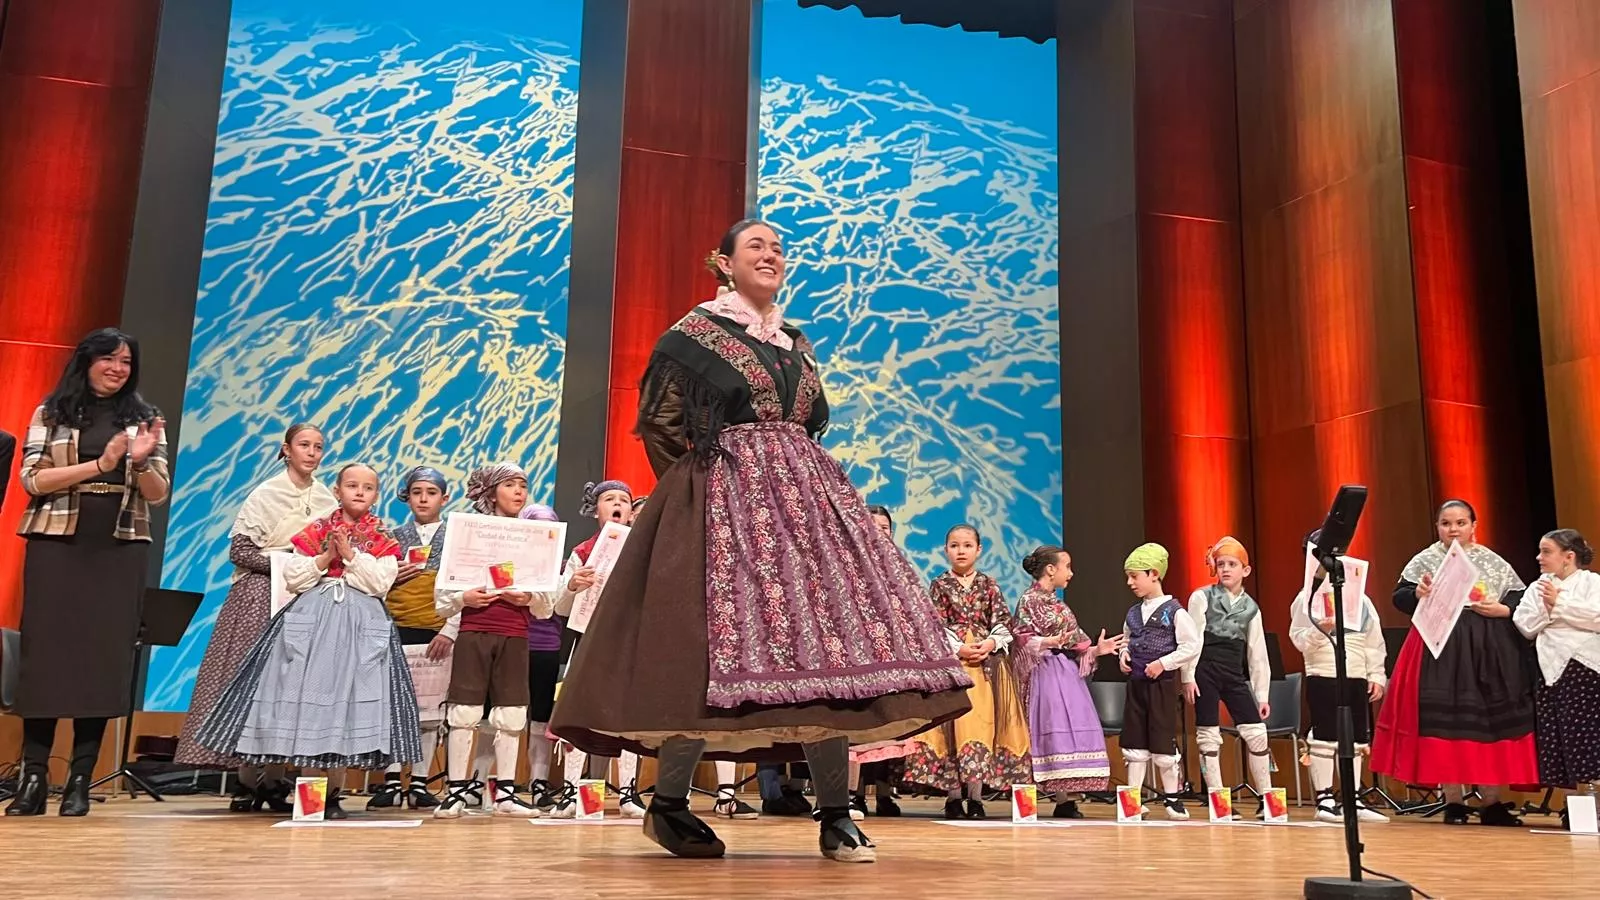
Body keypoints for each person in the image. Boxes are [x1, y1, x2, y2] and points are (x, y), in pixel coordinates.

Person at [550, 219, 971, 863]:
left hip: (805, 510)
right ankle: (666, 806)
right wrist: (703, 498)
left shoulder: (795, 343)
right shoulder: (692, 339)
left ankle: (836, 811)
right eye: (757, 246)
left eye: (778, 248)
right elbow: (662, 424)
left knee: (827, 642)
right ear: (723, 262)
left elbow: (812, 423)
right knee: (706, 654)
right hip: (722, 506)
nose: (771, 254)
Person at [194, 463, 421, 819]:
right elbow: (296, 577)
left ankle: (331, 795)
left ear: (376, 495)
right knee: (308, 708)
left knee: (346, 708)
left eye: (367, 487)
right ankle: (304, 798)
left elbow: (380, 583)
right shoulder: (317, 530)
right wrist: (325, 557)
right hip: (314, 622)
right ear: (337, 490)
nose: (359, 492)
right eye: (351, 485)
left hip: (361, 625)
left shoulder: (381, 537)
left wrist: (351, 557)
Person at [6, 328, 169, 818]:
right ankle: (33, 777)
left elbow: (158, 493)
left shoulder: (144, 418)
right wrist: (102, 463)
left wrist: (138, 465)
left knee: (102, 661)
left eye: (125, 362)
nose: (118, 369)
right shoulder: (51, 412)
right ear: (87, 361)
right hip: (58, 545)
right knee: (47, 658)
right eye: (109, 360)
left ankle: (80, 778)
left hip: (118, 549)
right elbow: (34, 480)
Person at [174, 422, 337, 812]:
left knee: (291, 691)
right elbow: (241, 551)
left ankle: (277, 779)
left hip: (306, 597)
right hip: (260, 595)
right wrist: (290, 564)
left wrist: (312, 569)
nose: (311, 453)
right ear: (286, 450)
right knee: (254, 685)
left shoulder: (327, 499)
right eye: (303, 445)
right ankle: (247, 781)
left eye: (318, 446)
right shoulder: (266, 494)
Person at [1372, 499, 1537, 826]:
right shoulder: (1425, 561)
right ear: (1438, 528)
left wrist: (1502, 609)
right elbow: (1399, 597)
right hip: (1438, 646)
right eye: (1447, 524)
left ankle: (1492, 802)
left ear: (1474, 525)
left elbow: (1519, 598)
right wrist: (1417, 593)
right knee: (1444, 723)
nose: (1454, 529)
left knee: (1489, 722)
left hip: (1488, 648)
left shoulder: (1492, 562)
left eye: (1461, 523)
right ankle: (1454, 801)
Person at [432, 463, 557, 819]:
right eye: (510, 485)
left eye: (523, 485)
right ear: (491, 491)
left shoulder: (533, 539)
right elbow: (444, 596)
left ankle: (504, 793)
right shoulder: (468, 534)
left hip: (516, 633)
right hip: (475, 630)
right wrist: (464, 598)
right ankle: (456, 791)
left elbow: (545, 603)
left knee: (513, 711)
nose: (519, 491)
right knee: (465, 710)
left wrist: (528, 598)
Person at [905, 524, 1032, 820]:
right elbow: (935, 625)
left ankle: (975, 797)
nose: (960, 551)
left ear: (979, 549)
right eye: (954, 545)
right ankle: (952, 797)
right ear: (946, 550)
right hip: (953, 663)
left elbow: (1002, 621)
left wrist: (989, 642)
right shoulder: (939, 585)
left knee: (980, 725)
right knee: (952, 725)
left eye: (966, 545)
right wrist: (959, 647)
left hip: (985, 667)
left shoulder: (989, 585)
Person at [549, 480, 650, 819]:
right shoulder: (582, 552)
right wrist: (574, 585)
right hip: (588, 637)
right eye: (610, 499)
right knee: (580, 711)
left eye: (624, 499)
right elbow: (560, 607)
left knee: (628, 716)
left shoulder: (645, 548)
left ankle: (627, 794)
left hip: (629, 640)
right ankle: (569, 792)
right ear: (596, 509)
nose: (618, 504)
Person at [367, 465, 460, 810]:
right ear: (407, 496)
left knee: (430, 708)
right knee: (392, 705)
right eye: (417, 492)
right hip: (396, 627)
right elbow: (375, 583)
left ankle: (419, 781)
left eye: (431, 492)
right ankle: (392, 780)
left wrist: (450, 629)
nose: (424, 498)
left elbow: (461, 584)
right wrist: (392, 576)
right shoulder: (391, 537)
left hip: (436, 629)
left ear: (444, 498)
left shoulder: (455, 538)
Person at [1012, 545, 1121, 818]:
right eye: (1067, 566)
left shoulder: (1060, 605)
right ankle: (1029, 799)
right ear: (1051, 569)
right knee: (1043, 729)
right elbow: (1021, 638)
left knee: (1069, 730)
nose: (1070, 573)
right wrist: (1046, 642)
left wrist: (1097, 649)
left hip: (1065, 672)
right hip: (1042, 672)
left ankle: (1066, 800)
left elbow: (1077, 642)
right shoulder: (1029, 600)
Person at [1289, 529, 1389, 823]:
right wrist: (1323, 632)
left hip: (1356, 671)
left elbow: (1374, 638)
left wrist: (1376, 675)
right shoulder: (1306, 597)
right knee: (1325, 735)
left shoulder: (1361, 598)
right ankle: (1324, 797)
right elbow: (1297, 637)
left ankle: (1352, 797)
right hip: (1323, 670)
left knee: (1356, 736)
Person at [1513, 529, 1600, 829]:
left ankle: (1596, 802)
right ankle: (1576, 803)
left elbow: (1597, 616)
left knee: (1589, 736)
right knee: (1562, 737)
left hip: (1585, 669)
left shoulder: (1592, 583)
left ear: (1569, 556)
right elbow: (1524, 623)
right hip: (1550, 670)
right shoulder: (1539, 586)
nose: (1539, 557)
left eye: (1546, 551)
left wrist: (1559, 607)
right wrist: (1552, 612)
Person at [1185, 537, 1274, 815]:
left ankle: (1267, 800)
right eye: (1221, 563)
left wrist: (1262, 694)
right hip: (1205, 671)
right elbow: (1192, 640)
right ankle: (1218, 801)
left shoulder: (1251, 608)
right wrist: (1188, 676)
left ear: (1245, 570)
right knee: (1208, 736)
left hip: (1233, 673)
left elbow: (1257, 653)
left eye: (1232, 564)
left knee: (1257, 734)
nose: (1225, 569)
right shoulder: (1201, 597)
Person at [1118, 542, 1200, 820]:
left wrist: (1163, 663)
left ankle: (1172, 798)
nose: (1130, 582)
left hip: (1162, 686)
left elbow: (1191, 645)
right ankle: (1132, 799)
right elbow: (1127, 640)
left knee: (1163, 739)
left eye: (1135, 576)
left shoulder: (1174, 611)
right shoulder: (1132, 613)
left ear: (1154, 573)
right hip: (1137, 686)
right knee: (1135, 739)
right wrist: (1124, 654)